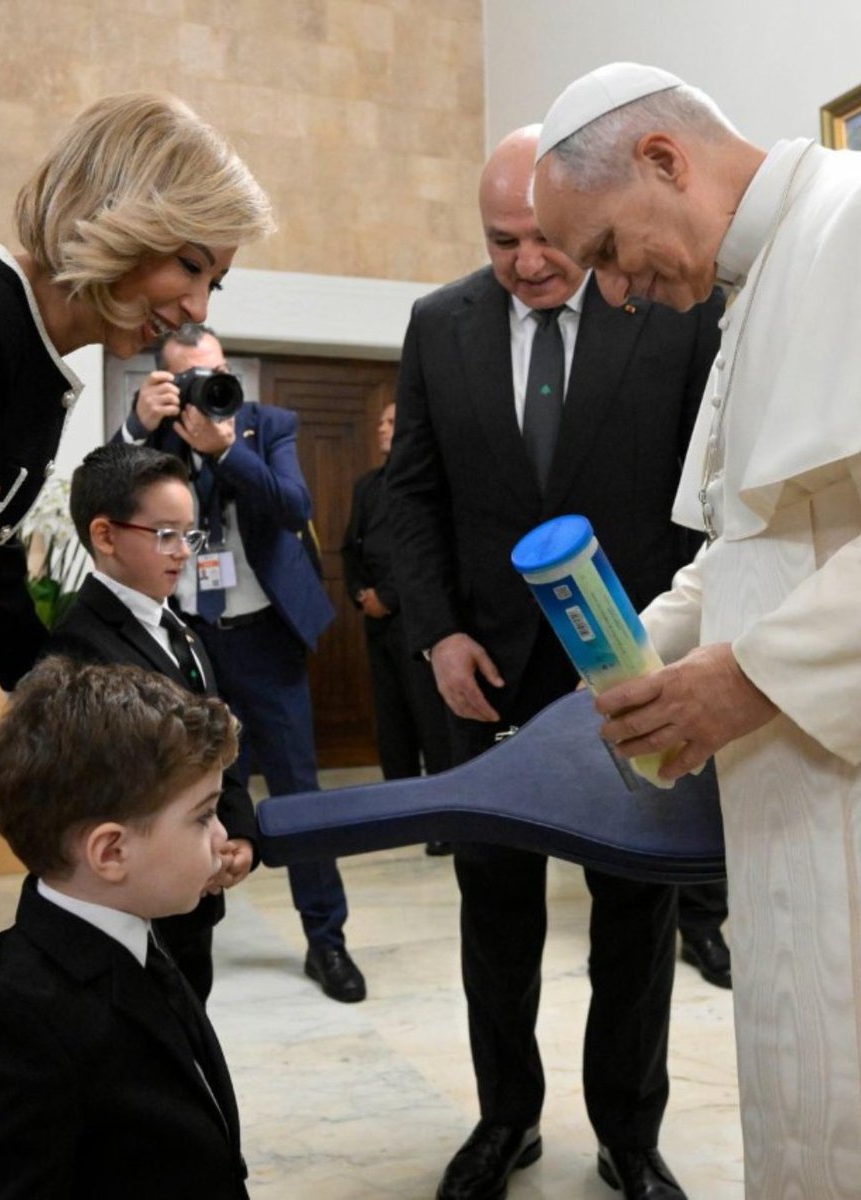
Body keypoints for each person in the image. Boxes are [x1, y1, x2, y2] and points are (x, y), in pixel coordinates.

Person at [0, 90, 272, 1197]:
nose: (193, 305)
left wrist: (106, 720)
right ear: (120, 214)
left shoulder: (36, 363)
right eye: (191, 265)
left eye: (214, 283)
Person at [532, 61, 861, 1198]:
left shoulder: (851, 227)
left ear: (664, 160)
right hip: (790, 814)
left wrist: (752, 677)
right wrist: (647, 647)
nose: (617, 291)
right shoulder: (755, 285)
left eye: (607, 250)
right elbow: (756, 542)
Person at [385, 125, 722, 1200]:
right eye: (502, 243)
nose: (529, 262)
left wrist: (676, 648)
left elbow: (706, 503)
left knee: (634, 911)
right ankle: (505, 1120)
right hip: (482, 673)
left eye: (544, 238)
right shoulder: (439, 324)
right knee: (495, 913)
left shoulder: (670, 316)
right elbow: (409, 497)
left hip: (633, 666)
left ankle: (630, 1133)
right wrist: (437, 633)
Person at [114, 324, 366, 1003]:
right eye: (191, 377)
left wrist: (225, 451)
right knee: (181, 791)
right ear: (166, 382)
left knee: (298, 790)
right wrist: (137, 429)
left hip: (264, 640)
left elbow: (294, 506)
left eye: (218, 371)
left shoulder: (267, 424)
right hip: (187, 641)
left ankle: (327, 939)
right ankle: (181, 936)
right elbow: (106, 498)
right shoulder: (156, 437)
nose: (210, 387)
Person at [0, 656, 250, 1199]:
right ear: (111, 852)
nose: (222, 836)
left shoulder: (137, 922)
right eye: (204, 815)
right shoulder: (17, 1014)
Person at [46, 441, 259, 1001]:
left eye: (189, 534)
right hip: (141, 904)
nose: (183, 552)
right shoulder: (81, 647)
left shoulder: (179, 629)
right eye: (165, 534)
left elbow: (220, 745)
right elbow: (109, 792)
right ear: (105, 535)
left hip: (194, 894)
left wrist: (238, 831)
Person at [341, 401, 452, 854]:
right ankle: (399, 815)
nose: (381, 429)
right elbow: (350, 548)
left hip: (416, 619)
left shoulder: (431, 481)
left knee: (431, 720)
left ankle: (443, 821)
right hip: (376, 623)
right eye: (380, 422)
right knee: (392, 723)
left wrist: (388, 596)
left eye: (390, 421)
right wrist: (360, 593)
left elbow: (424, 550)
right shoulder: (367, 485)